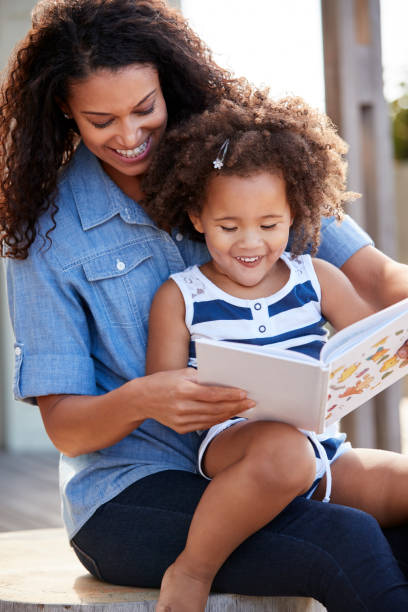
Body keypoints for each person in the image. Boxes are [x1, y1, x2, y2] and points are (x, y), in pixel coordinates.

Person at [1, 0, 408, 610]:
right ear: (64, 111)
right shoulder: (47, 235)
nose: (131, 136)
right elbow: (66, 425)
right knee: (344, 538)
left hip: (294, 458)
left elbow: (379, 281)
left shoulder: (246, 166)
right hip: (132, 493)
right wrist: (149, 396)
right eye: (101, 120)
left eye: (145, 108)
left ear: (168, 83)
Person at [142, 96, 408, 611]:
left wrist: (395, 342)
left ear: (295, 214)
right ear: (197, 216)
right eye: (228, 226)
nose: (250, 242)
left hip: (324, 454)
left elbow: (372, 344)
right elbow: (163, 394)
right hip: (237, 447)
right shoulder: (182, 295)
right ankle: (192, 570)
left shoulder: (318, 278)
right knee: (284, 454)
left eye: (269, 225)